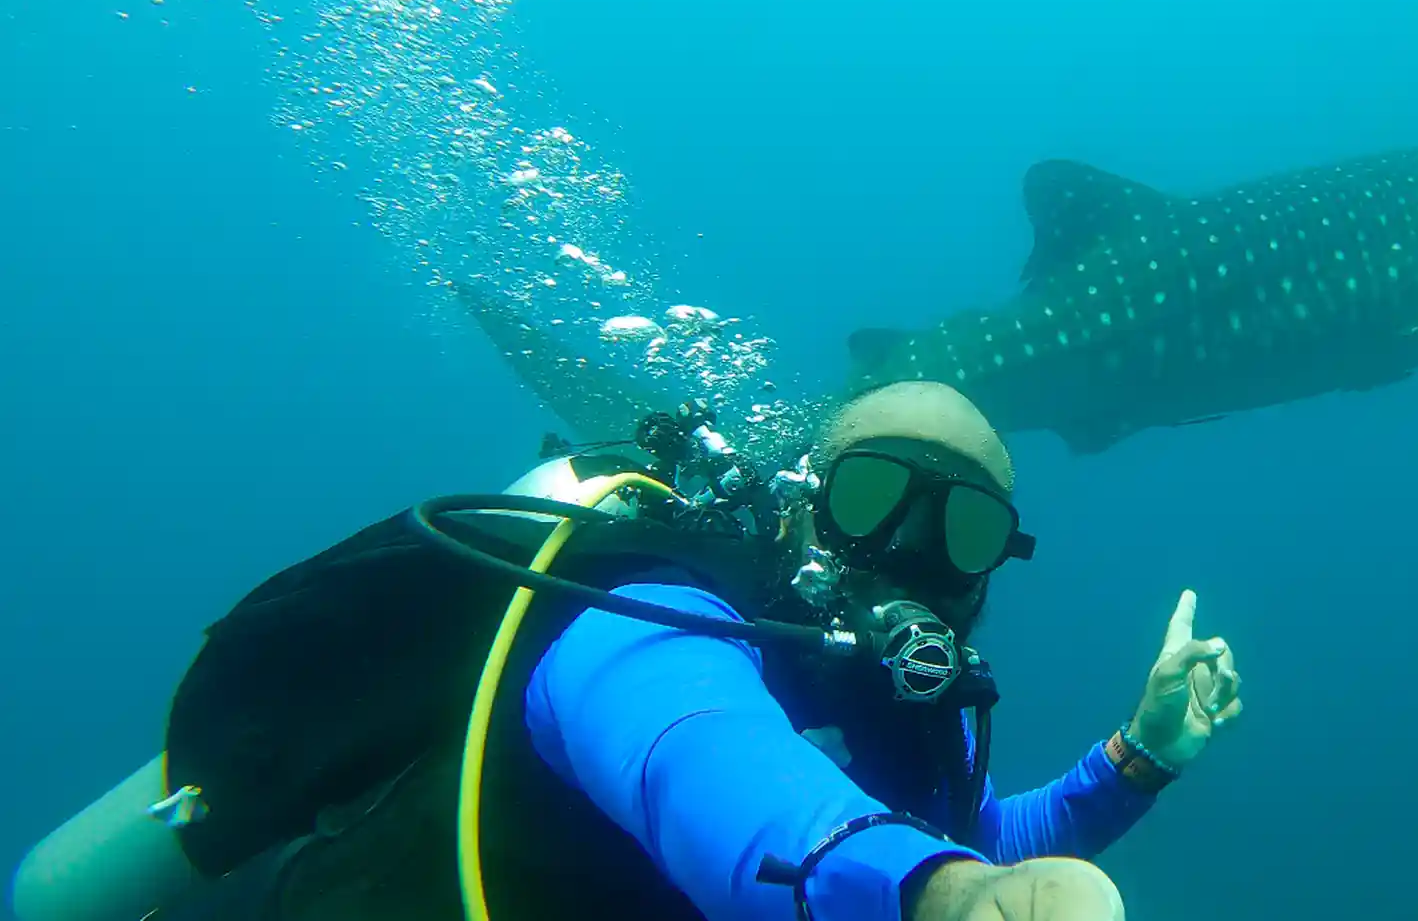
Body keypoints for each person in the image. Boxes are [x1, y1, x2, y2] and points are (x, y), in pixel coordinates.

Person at [11, 381, 1242, 921]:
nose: (912, 550)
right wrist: (938, 898)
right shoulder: (652, 603)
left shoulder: (900, 710)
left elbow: (974, 842)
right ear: (808, 501)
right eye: (877, 498)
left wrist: (1136, 760)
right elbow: (694, 760)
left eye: (962, 521)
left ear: (993, 567)